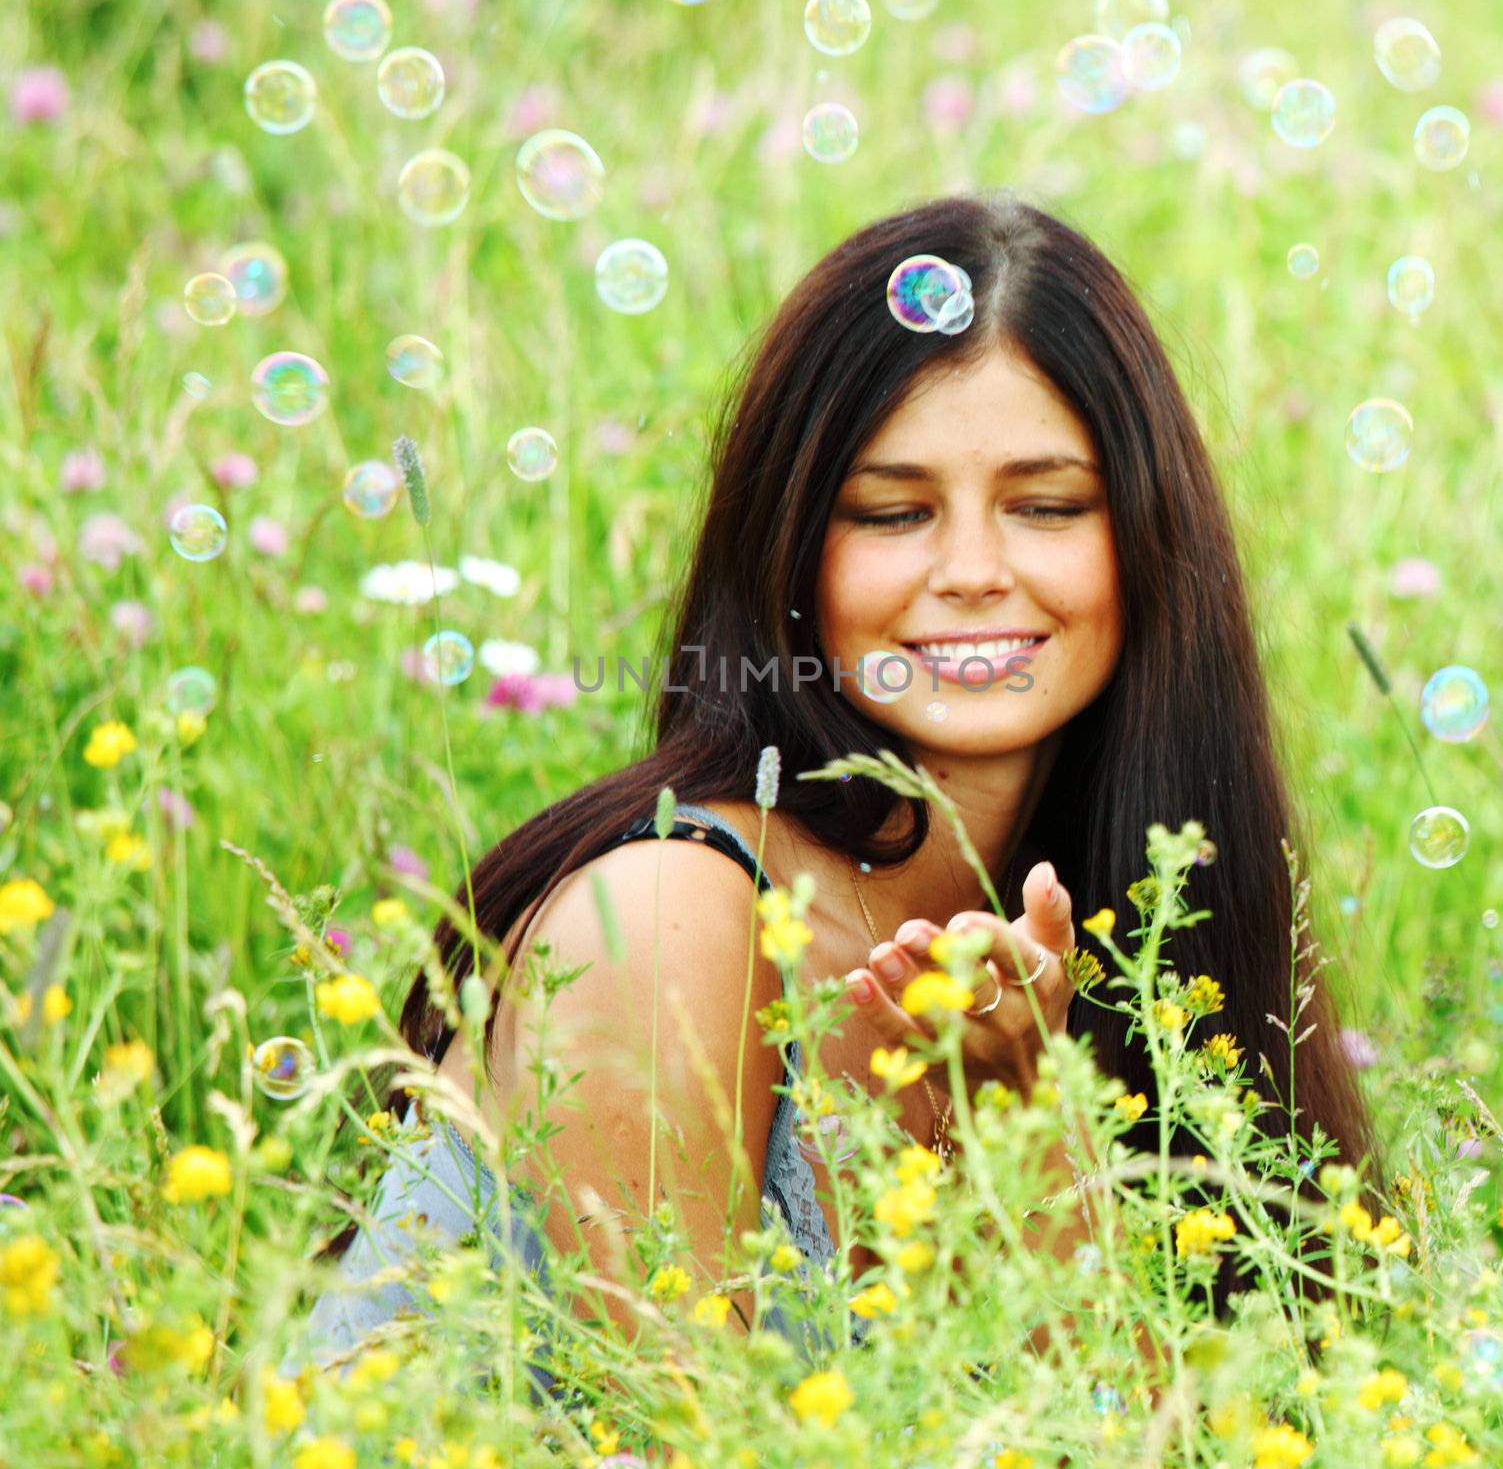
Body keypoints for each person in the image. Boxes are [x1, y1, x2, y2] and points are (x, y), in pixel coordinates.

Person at [292, 192, 1379, 1400]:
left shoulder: (1120, 947)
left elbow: (1116, 1438)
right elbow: (690, 1433)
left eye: (1048, 505)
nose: (972, 570)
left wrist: (1025, 1127)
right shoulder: (660, 919)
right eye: (893, 511)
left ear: (1147, 541)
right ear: (794, 551)